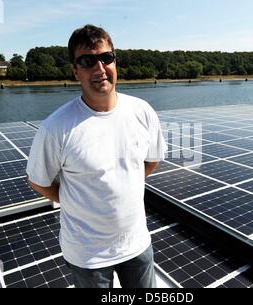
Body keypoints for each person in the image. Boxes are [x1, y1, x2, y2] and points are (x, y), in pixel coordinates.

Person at [26, 24, 166, 288]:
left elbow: (152, 159)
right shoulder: (56, 127)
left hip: (137, 244)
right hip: (87, 255)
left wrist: (125, 182)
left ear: (115, 61)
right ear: (75, 70)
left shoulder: (143, 112)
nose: (100, 69)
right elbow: (37, 180)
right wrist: (72, 200)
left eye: (106, 58)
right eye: (88, 61)